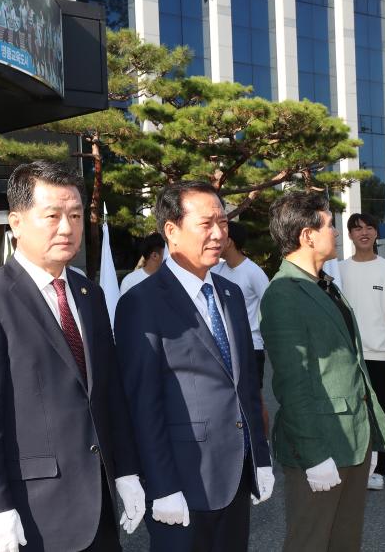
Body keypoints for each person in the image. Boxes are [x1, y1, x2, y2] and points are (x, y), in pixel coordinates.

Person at [0, 161, 145, 552]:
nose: (67, 228)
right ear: (16, 222)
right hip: (34, 511)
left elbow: (107, 395)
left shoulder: (90, 295)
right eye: (52, 216)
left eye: (74, 215)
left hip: (100, 502)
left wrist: (126, 471)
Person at [114, 182, 272, 552]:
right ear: (171, 230)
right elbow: (142, 405)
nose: (219, 234)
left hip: (235, 473)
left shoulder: (230, 294)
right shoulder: (142, 302)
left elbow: (246, 385)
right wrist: (163, 486)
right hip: (181, 481)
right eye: (206, 224)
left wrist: (260, 458)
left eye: (223, 222)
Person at [260, 192, 385, 552]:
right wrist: (314, 455)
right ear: (307, 235)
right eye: (330, 225)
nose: (336, 232)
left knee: (344, 541)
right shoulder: (283, 293)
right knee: (310, 542)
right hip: (319, 446)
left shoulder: (324, 284)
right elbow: (292, 382)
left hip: (351, 439)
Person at [339, 213, 385, 491]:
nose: (364, 233)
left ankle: (379, 468)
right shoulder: (338, 270)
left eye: (369, 228)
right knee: (349, 411)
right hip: (346, 356)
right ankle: (354, 463)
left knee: (379, 412)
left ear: (377, 233)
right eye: (357, 229)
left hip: (380, 355)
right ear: (350, 235)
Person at [211, 221, 271, 434]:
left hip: (251, 347)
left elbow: (270, 306)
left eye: (221, 236)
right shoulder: (217, 269)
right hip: (225, 347)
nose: (215, 239)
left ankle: (264, 453)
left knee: (255, 400)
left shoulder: (253, 272)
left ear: (230, 242)